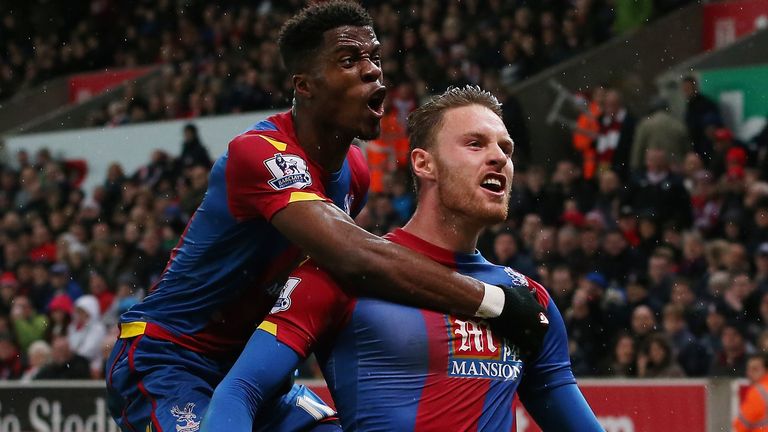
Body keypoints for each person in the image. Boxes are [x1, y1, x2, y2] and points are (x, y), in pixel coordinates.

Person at [105, 3, 542, 432]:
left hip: (257, 373)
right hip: (170, 356)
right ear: (305, 86)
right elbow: (354, 258)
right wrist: (491, 302)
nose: (372, 71)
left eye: (374, 58)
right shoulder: (257, 153)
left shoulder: (356, 171)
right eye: (349, 60)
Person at [203, 86, 597, 431]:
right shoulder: (342, 272)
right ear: (424, 164)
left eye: (505, 148)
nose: (498, 158)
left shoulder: (528, 300)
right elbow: (240, 392)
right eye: (475, 144)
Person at [734, 353, 768, 431]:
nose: (749, 373)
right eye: (748, 369)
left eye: (755, 369)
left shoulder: (758, 392)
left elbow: (741, 425)